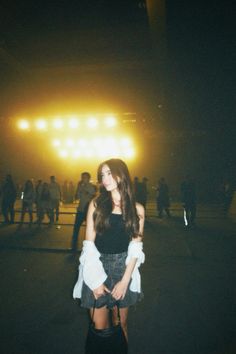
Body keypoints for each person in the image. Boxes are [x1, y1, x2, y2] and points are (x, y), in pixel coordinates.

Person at [73, 158, 145, 342]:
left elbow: (136, 248)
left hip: (123, 267)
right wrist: (95, 280)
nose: (104, 179)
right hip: (97, 265)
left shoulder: (137, 209)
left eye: (109, 173)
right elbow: (88, 245)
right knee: (99, 327)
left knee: (121, 325)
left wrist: (124, 281)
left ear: (122, 175)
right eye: (102, 175)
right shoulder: (96, 205)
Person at [71, 172, 96, 252]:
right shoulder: (80, 187)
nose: (83, 179)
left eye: (84, 177)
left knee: (91, 229)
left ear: (88, 178)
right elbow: (77, 197)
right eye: (82, 177)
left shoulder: (91, 187)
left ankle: (92, 247)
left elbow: (92, 196)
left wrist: (85, 191)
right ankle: (73, 247)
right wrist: (79, 188)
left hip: (88, 211)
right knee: (76, 229)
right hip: (80, 210)